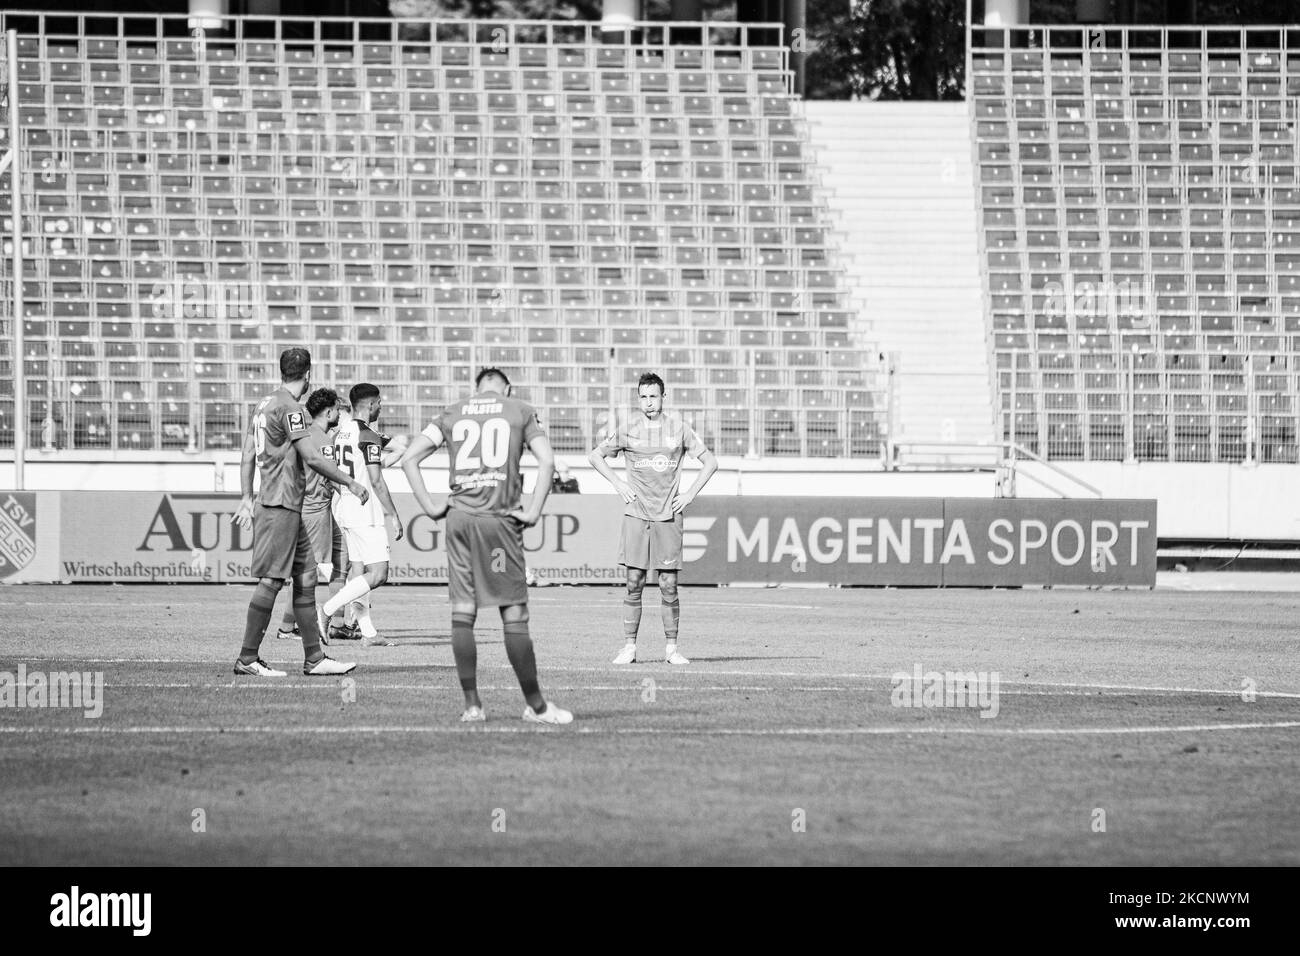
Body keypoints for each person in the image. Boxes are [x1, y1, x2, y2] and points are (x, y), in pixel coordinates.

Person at [400, 368, 572, 725]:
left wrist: (432, 508)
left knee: (463, 611)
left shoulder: (451, 411)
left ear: (475, 390)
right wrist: (535, 510)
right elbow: (548, 460)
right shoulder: (520, 410)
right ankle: (537, 707)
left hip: (459, 519)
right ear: (506, 388)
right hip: (498, 521)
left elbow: (409, 458)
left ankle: (473, 706)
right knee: (513, 613)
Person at [231, 348, 363, 677]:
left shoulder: (263, 405)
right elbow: (314, 458)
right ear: (307, 375)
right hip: (281, 503)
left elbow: (248, 453)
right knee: (273, 581)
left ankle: (315, 659)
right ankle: (248, 658)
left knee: (305, 580)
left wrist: (247, 496)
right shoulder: (292, 409)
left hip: (284, 503)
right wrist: (351, 482)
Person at [587, 372, 718, 665]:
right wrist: (618, 484)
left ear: (663, 397)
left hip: (668, 516)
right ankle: (629, 647)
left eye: (653, 396)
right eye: (643, 397)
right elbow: (595, 456)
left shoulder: (679, 429)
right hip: (636, 514)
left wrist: (690, 494)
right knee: (634, 580)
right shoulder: (627, 429)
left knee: (668, 584)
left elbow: (711, 462)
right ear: (638, 399)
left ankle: (671, 648)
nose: (648, 402)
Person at [319, 383, 404, 647]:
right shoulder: (367, 434)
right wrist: (394, 515)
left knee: (359, 571)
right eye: (379, 403)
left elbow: (329, 474)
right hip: (365, 510)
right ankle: (325, 611)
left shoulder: (340, 433)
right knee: (378, 574)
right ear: (369, 405)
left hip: (345, 506)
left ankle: (368, 633)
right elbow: (377, 481)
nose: (381, 407)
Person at [273, 387, 354, 643]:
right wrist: (351, 486)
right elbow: (328, 474)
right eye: (338, 409)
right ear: (329, 411)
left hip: (318, 507)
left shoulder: (306, 435)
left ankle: (337, 622)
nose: (340, 413)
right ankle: (287, 628)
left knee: (343, 559)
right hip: (315, 509)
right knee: (306, 572)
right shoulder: (323, 441)